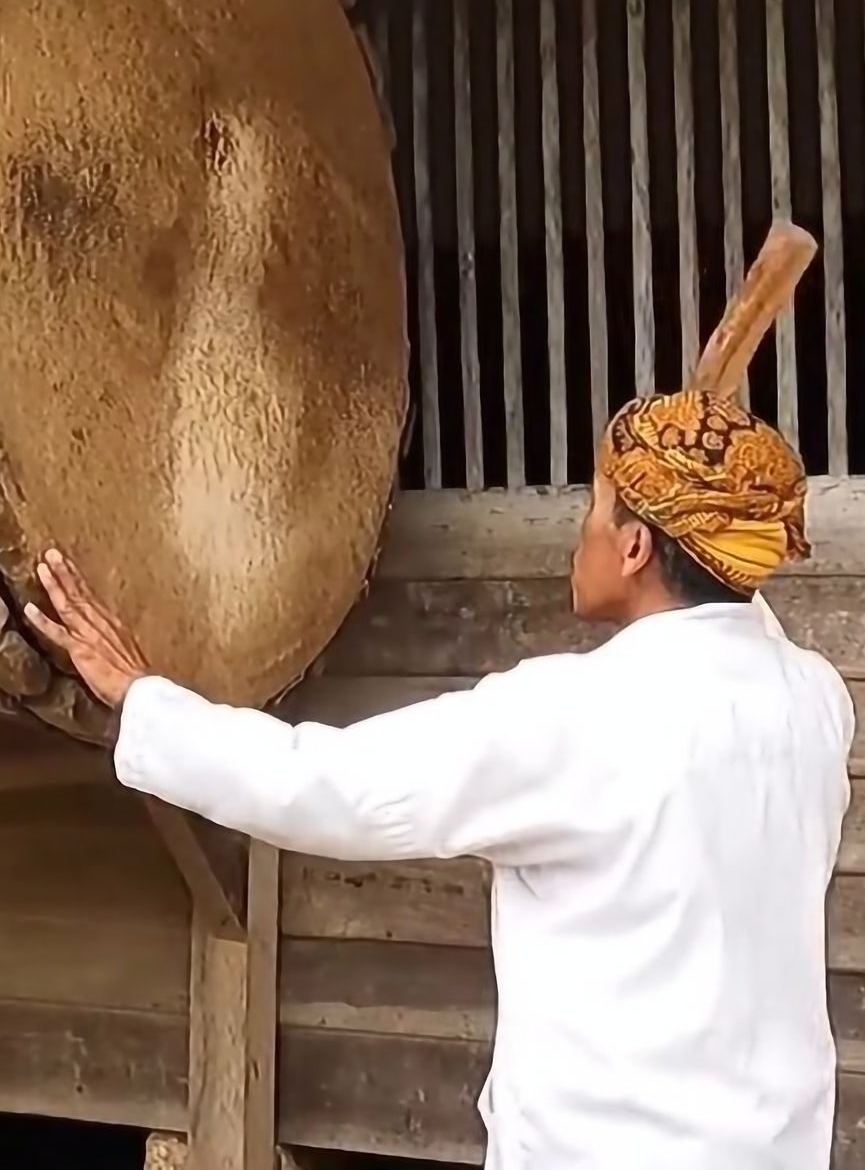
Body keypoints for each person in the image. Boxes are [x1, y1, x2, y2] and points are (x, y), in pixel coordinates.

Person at [25, 391, 853, 1170]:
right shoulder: (811, 699)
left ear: (634, 547)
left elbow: (326, 785)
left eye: (596, 511)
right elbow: (735, 614)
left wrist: (142, 700)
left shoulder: (575, 716)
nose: (582, 531)